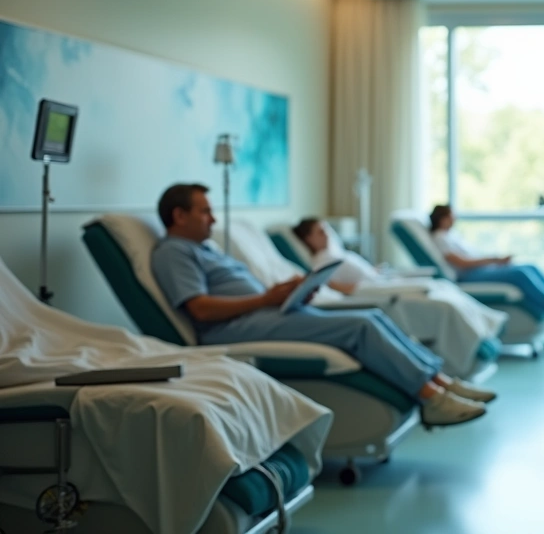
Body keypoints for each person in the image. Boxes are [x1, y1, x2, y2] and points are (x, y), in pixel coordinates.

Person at [149, 183, 494, 428]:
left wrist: (288, 294)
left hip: (266, 313)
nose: (212, 219)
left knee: (371, 314)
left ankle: (440, 379)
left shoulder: (204, 249)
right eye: (205, 212)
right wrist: (268, 298)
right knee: (360, 326)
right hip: (236, 329)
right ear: (179, 215)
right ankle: (432, 399)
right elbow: (201, 310)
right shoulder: (174, 252)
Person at [428, 205, 544, 330]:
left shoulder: (452, 236)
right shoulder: (440, 238)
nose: (454, 219)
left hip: (482, 270)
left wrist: (496, 261)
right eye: (451, 216)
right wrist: (495, 260)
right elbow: (462, 262)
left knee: (530, 267)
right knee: (519, 274)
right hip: (469, 276)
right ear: (442, 219)